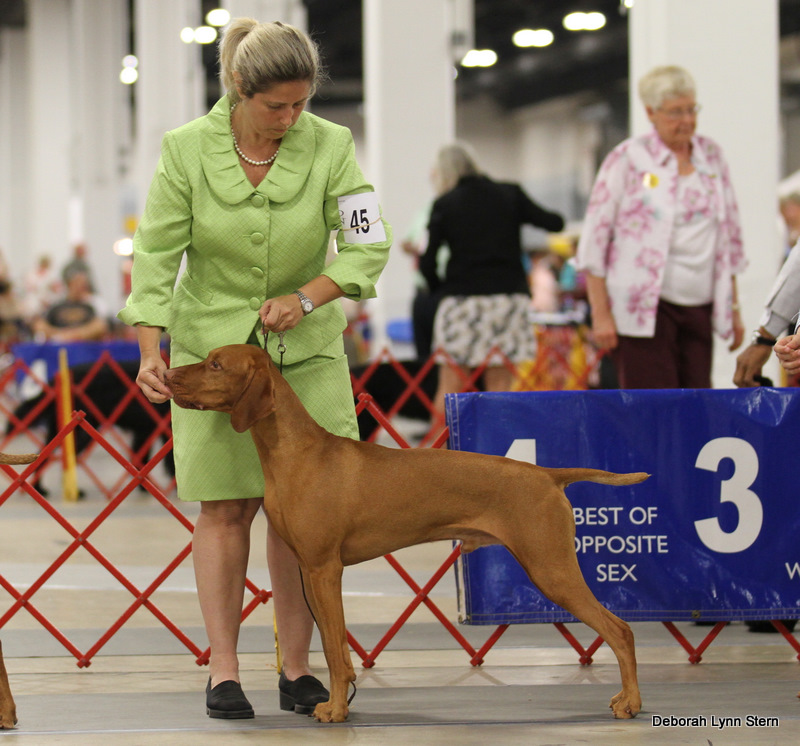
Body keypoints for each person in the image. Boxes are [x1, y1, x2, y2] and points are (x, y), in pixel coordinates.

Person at [118, 18, 391, 720]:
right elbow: (155, 258)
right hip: (212, 365)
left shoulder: (333, 144)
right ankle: (223, 671)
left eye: (301, 104)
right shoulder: (184, 150)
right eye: (276, 106)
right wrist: (149, 349)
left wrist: (309, 297)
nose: (291, 119)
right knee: (225, 509)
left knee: (304, 518)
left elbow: (367, 245)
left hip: (308, 359)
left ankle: (298, 668)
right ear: (239, 86)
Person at [575, 65, 746, 388]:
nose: (687, 120)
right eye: (675, 112)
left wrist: (733, 308)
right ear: (651, 112)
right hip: (643, 307)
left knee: (698, 400)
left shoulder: (712, 156)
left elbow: (730, 236)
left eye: (691, 109)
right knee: (652, 403)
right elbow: (594, 240)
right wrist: (600, 313)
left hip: (700, 303)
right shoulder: (627, 158)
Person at [418, 142, 564, 418]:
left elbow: (427, 262)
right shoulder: (511, 193)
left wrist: (441, 290)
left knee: (450, 389)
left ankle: (441, 445)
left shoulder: (444, 204)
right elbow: (555, 223)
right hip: (507, 301)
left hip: (462, 303)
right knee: (500, 390)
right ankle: (496, 445)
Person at [31, 268, 109, 342]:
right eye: (77, 284)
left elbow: (100, 326)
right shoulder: (57, 306)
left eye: (83, 285)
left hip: (83, 345)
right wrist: (60, 334)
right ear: (69, 284)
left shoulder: (89, 307)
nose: (80, 288)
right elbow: (39, 325)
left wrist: (75, 334)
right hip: (59, 342)